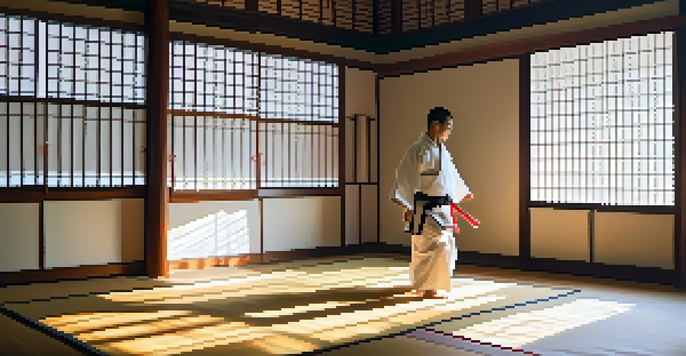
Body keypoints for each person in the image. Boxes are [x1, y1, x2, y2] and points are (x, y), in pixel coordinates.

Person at [390, 107, 474, 299]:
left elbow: (451, 175)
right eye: (448, 126)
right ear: (436, 125)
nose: (449, 131)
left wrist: (463, 191)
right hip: (424, 209)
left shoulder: (443, 151)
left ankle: (425, 285)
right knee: (430, 246)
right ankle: (428, 288)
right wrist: (408, 206)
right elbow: (405, 179)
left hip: (443, 208)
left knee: (444, 245)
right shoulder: (417, 150)